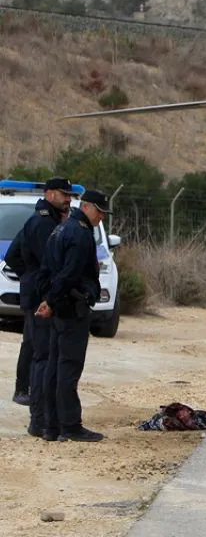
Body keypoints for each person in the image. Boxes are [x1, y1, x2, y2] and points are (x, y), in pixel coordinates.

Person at [35, 190, 111, 442]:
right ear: (87, 207)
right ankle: (70, 425)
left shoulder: (62, 228)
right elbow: (69, 274)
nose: (101, 217)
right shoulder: (79, 233)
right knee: (68, 368)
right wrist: (53, 300)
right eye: (99, 211)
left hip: (61, 308)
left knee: (55, 368)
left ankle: (51, 426)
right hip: (71, 308)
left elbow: (46, 269)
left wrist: (49, 299)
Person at [3, 177, 74, 437]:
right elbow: (51, 263)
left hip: (36, 295)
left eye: (70, 195)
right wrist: (35, 279)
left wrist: (28, 277)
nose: (68, 199)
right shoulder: (44, 223)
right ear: (49, 194)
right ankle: (40, 418)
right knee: (42, 356)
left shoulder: (45, 218)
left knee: (35, 350)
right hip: (41, 299)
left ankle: (36, 410)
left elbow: (13, 255)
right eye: (63, 194)